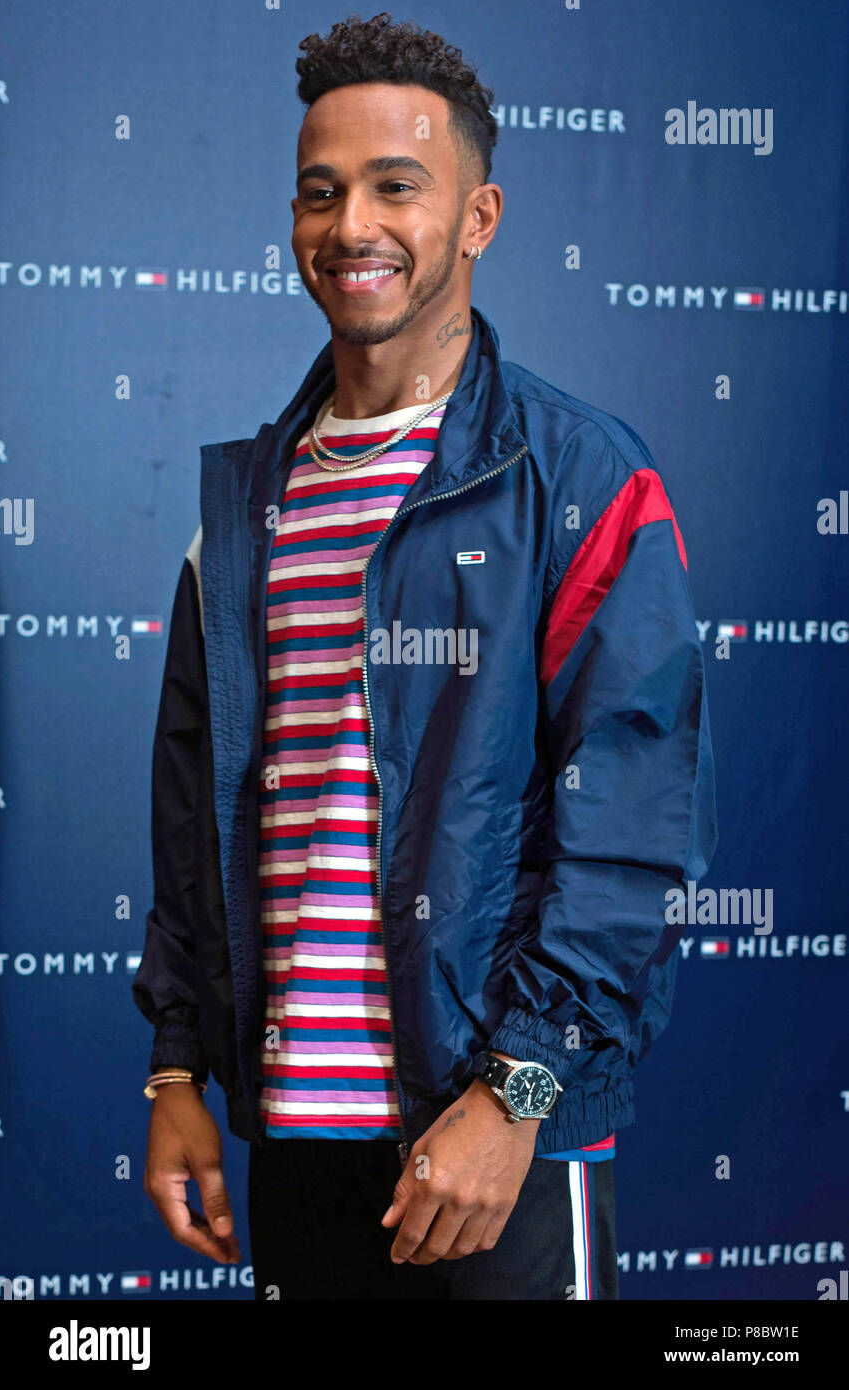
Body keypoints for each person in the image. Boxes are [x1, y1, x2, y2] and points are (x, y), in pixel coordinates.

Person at [133, 11, 717, 1302]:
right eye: (321, 192)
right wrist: (178, 1068)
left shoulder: (573, 477)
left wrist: (515, 1092)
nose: (353, 226)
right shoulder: (246, 506)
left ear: (478, 218)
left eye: (398, 186)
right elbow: (194, 816)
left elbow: (633, 827)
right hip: (294, 1126)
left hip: (489, 1136)